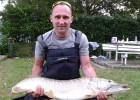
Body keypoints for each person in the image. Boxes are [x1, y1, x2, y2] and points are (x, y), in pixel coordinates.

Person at [14, 1, 108, 100]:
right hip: (48, 87)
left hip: (75, 87)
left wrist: (97, 87)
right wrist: (35, 86)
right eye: (57, 17)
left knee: (95, 96)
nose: (61, 22)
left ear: (71, 19)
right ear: (51, 18)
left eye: (65, 17)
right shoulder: (42, 40)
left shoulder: (80, 38)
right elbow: (38, 66)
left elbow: (87, 66)